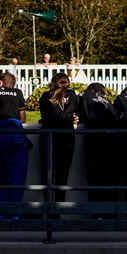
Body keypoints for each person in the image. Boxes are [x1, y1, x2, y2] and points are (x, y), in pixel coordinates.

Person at [0, 72, 31, 219]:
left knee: (3, 176)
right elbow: (22, 118)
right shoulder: (17, 92)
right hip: (16, 134)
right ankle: (15, 214)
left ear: (0, 83)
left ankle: (2, 214)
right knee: (17, 177)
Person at [39, 73, 78, 203]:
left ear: (53, 82)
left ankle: (49, 205)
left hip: (49, 136)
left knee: (47, 173)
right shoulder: (73, 95)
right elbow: (77, 112)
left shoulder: (45, 96)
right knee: (63, 174)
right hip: (66, 136)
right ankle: (59, 205)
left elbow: (44, 117)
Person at [78, 83, 118, 206]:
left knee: (94, 178)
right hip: (111, 142)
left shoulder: (86, 95)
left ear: (91, 90)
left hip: (95, 141)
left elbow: (82, 115)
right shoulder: (107, 102)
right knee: (109, 179)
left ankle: (96, 212)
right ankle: (109, 213)